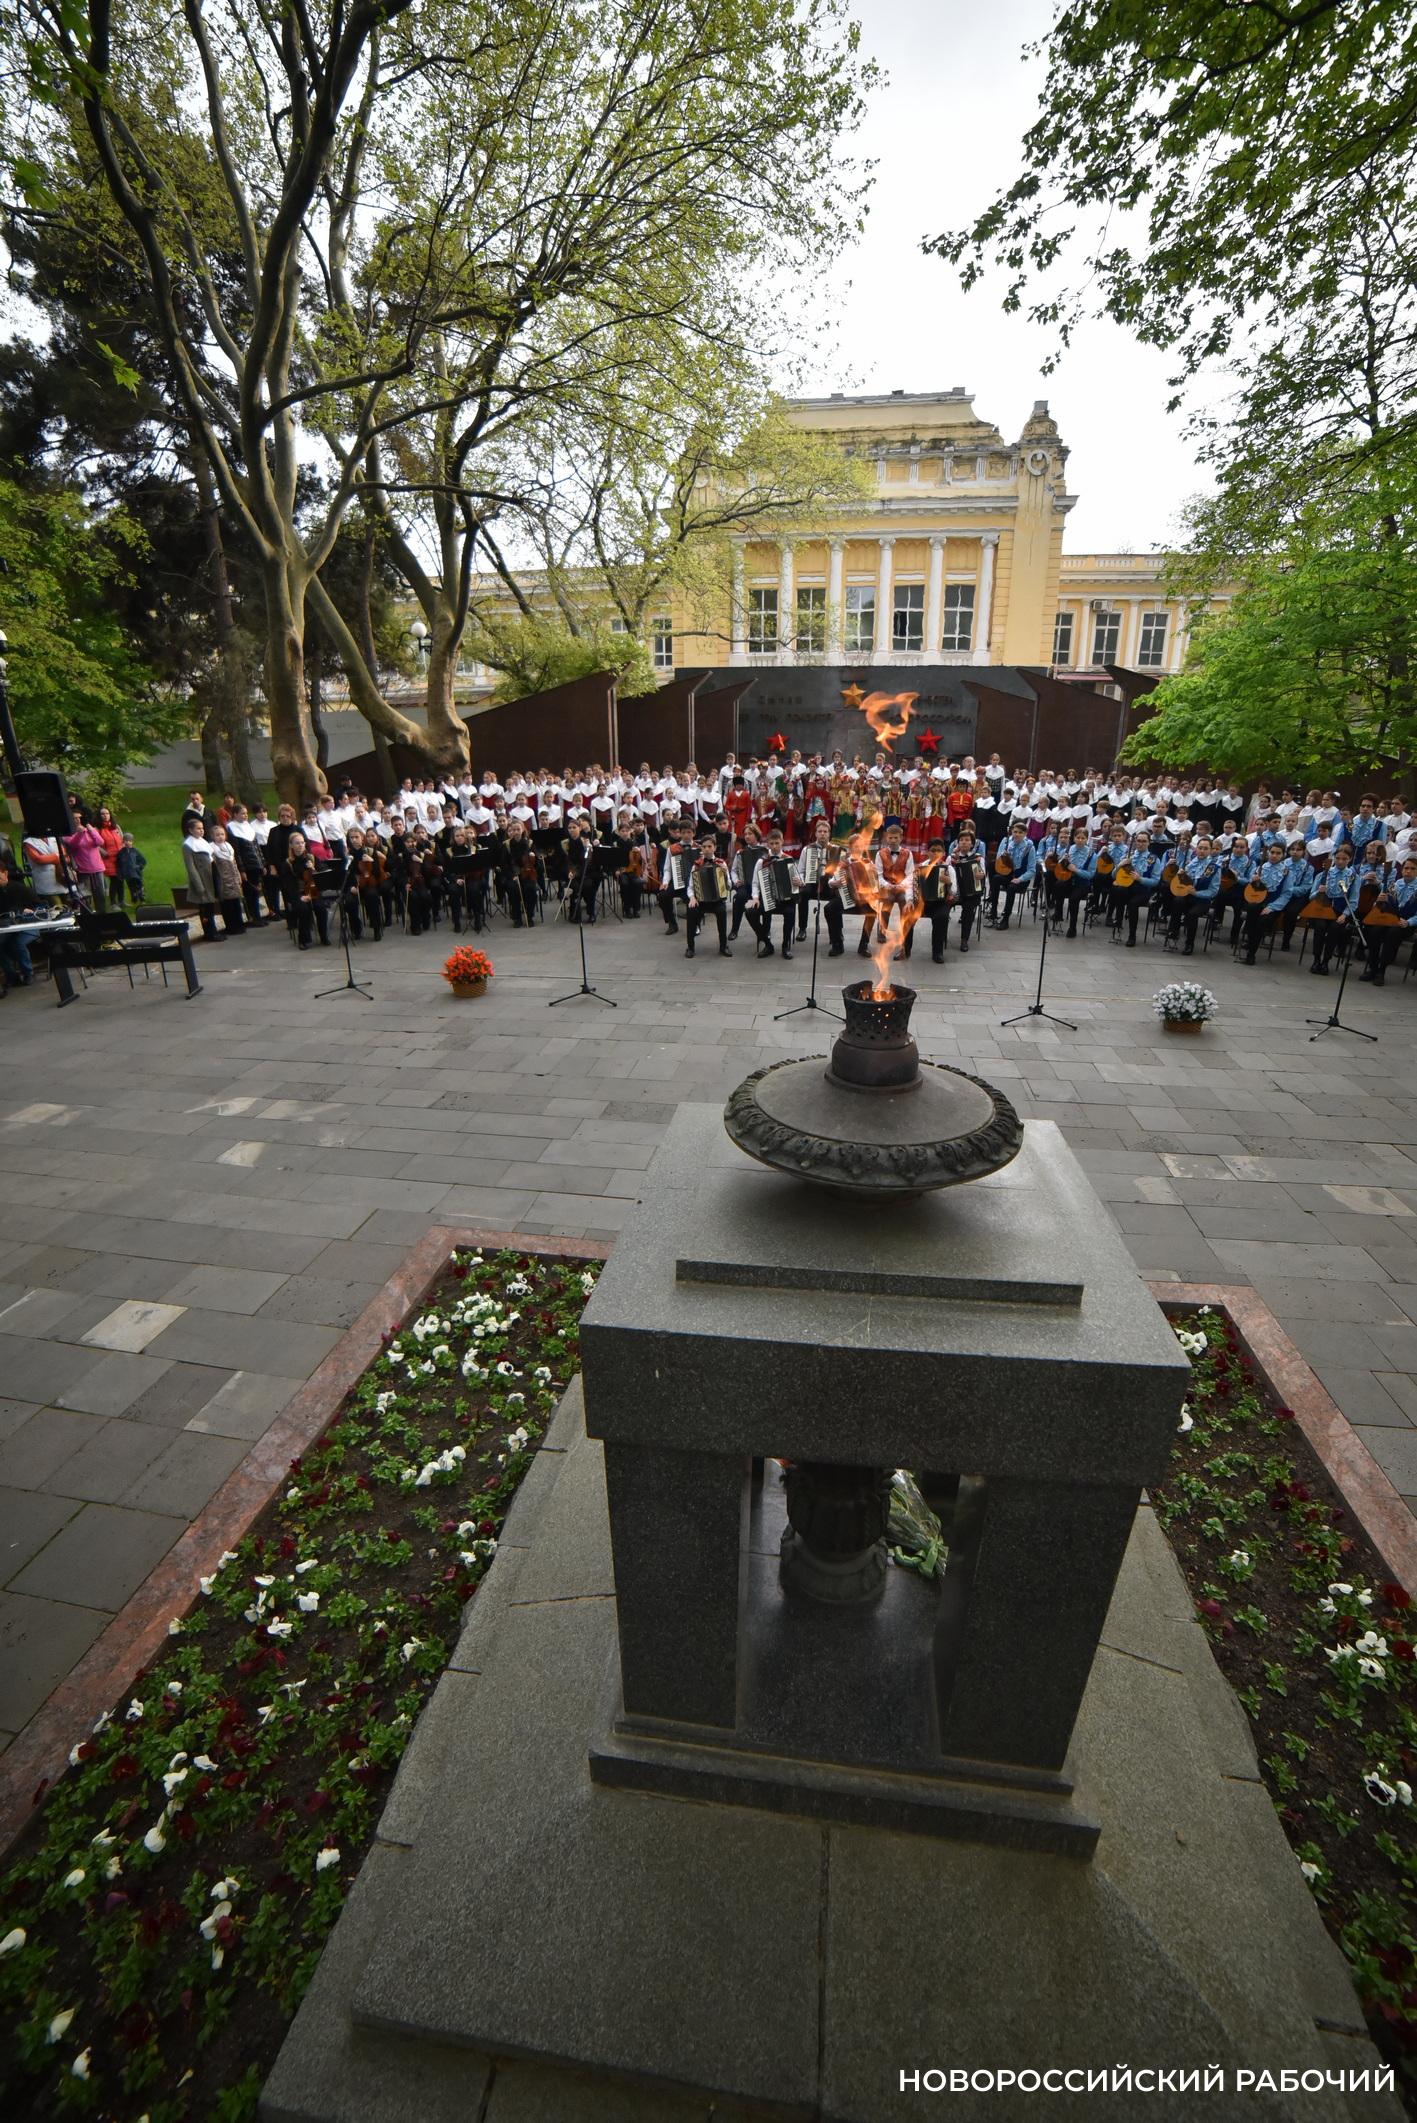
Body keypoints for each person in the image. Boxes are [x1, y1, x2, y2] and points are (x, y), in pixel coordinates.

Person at [745, 829, 795, 959]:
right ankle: (767, 944)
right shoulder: (762, 862)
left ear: (782, 842)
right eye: (771, 843)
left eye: (777, 843)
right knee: (749, 911)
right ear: (767, 844)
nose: (774, 846)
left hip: (785, 900)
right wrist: (755, 898)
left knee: (790, 912)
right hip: (765, 899)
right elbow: (755, 883)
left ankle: (785, 946)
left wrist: (798, 882)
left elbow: (796, 882)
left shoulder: (789, 860)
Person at [685, 833, 731, 958]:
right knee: (691, 910)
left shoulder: (721, 863)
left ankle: (723, 946)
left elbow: (729, 887)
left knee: (721, 912)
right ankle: (690, 947)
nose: (707, 849)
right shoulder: (697, 865)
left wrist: (726, 874)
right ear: (701, 848)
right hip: (701, 900)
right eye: (704, 847)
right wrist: (692, 897)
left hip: (717, 900)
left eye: (709, 846)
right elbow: (690, 886)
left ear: (714, 847)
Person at [182, 819, 221, 941]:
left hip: (210, 876)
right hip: (202, 879)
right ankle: (209, 932)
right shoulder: (188, 845)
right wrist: (199, 885)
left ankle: (213, 930)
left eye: (202, 828)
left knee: (210, 906)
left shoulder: (202, 841)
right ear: (190, 830)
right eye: (198, 828)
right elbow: (191, 867)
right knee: (205, 908)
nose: (201, 830)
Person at [208, 825, 247, 933]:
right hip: (223, 880)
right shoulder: (212, 849)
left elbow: (234, 862)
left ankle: (240, 924)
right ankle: (231, 926)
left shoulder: (228, 846)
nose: (220, 837)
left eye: (222, 834)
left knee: (236, 903)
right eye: (217, 835)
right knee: (227, 905)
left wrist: (238, 875)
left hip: (233, 878)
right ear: (212, 836)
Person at [64, 817, 108, 908]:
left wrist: (91, 830)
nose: (78, 820)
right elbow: (73, 845)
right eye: (75, 818)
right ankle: (88, 915)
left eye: (79, 818)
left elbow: (100, 842)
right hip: (83, 869)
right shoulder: (68, 834)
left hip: (97, 867)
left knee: (100, 895)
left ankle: (102, 914)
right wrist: (80, 833)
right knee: (85, 896)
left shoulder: (90, 830)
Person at [115, 832, 147, 907]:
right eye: (126, 840)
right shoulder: (121, 853)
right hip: (127, 874)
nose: (127, 842)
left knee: (139, 886)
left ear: (132, 842)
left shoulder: (135, 851)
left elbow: (143, 861)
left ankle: (142, 899)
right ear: (123, 841)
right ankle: (134, 899)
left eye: (129, 840)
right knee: (131, 887)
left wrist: (139, 867)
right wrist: (120, 873)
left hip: (136, 873)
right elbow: (119, 864)